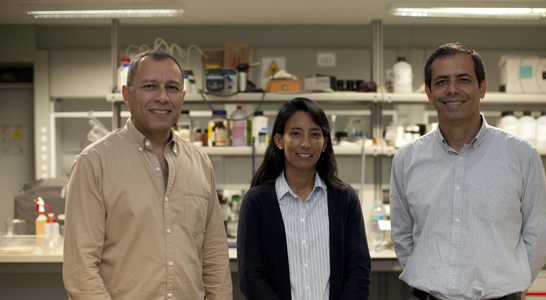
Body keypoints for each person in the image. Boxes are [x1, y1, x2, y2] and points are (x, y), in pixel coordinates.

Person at [63, 50, 232, 300]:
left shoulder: (200, 163)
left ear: (182, 97)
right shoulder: (95, 163)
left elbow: (215, 256)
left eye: (172, 88)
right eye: (150, 86)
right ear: (127, 95)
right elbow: (81, 270)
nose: (162, 97)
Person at [390, 43, 546, 300]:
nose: (452, 89)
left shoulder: (521, 155)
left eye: (463, 79)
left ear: (483, 88)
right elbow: (402, 235)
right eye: (442, 81)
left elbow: (539, 236)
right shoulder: (406, 159)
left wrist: (506, 287)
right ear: (429, 92)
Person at [237, 97, 371, 300]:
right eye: (296, 133)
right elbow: (251, 277)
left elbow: (359, 272)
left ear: (325, 142)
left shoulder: (345, 200)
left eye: (315, 134)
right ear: (279, 140)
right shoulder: (257, 202)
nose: (306, 143)